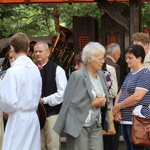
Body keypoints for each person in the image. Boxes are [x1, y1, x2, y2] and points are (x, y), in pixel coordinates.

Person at [54, 41, 110, 150]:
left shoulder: (101, 75)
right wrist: (93, 103)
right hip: (79, 125)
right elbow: (68, 103)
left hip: (96, 124)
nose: (103, 61)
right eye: (100, 59)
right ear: (89, 59)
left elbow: (103, 98)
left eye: (103, 58)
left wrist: (102, 103)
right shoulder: (77, 76)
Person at [0, 32, 42, 150]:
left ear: (12, 48)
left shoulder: (13, 72)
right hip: (33, 117)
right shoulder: (35, 69)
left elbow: (7, 101)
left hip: (18, 119)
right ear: (28, 48)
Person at [113, 44, 150, 150]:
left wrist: (118, 107)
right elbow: (121, 92)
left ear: (139, 58)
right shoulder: (130, 74)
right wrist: (117, 110)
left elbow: (137, 97)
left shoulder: (145, 74)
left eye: (130, 58)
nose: (127, 60)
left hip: (138, 120)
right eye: (126, 57)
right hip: (125, 119)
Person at [34, 41, 67, 150]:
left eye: (40, 51)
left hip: (52, 115)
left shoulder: (58, 70)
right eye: (35, 51)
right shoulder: (32, 70)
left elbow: (62, 94)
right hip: (36, 116)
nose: (37, 54)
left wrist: (44, 100)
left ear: (48, 53)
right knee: (39, 146)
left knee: (52, 145)